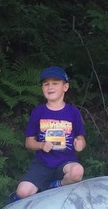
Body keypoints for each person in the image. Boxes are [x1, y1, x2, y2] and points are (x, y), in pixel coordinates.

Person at [13, 66, 86, 200]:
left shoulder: (73, 112)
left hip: (66, 163)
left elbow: (80, 138)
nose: (50, 87)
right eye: (46, 84)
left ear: (65, 87)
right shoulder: (38, 112)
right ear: (42, 88)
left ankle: (55, 185)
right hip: (43, 164)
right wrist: (41, 145)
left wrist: (80, 144)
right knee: (22, 192)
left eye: (55, 83)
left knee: (77, 171)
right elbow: (28, 142)